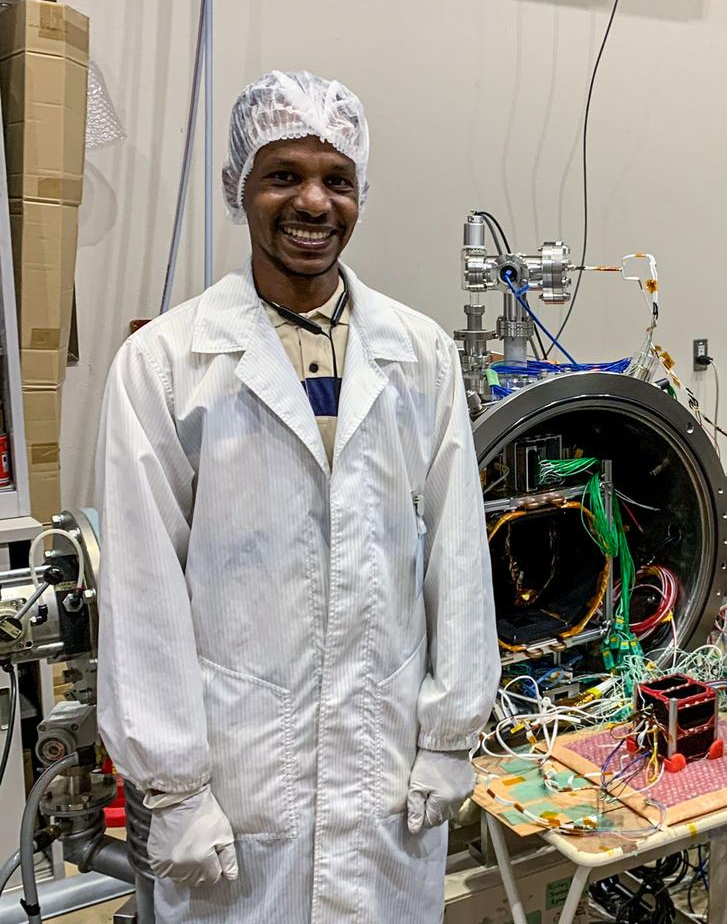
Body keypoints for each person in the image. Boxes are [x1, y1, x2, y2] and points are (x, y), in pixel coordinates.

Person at [95, 70, 499, 923]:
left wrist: (451, 735)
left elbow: (459, 555)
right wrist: (174, 789)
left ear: (360, 194)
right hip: (238, 782)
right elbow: (142, 590)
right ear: (240, 186)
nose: (314, 202)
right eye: (284, 175)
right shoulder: (166, 365)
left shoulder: (420, 354)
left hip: (383, 770)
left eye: (336, 179)